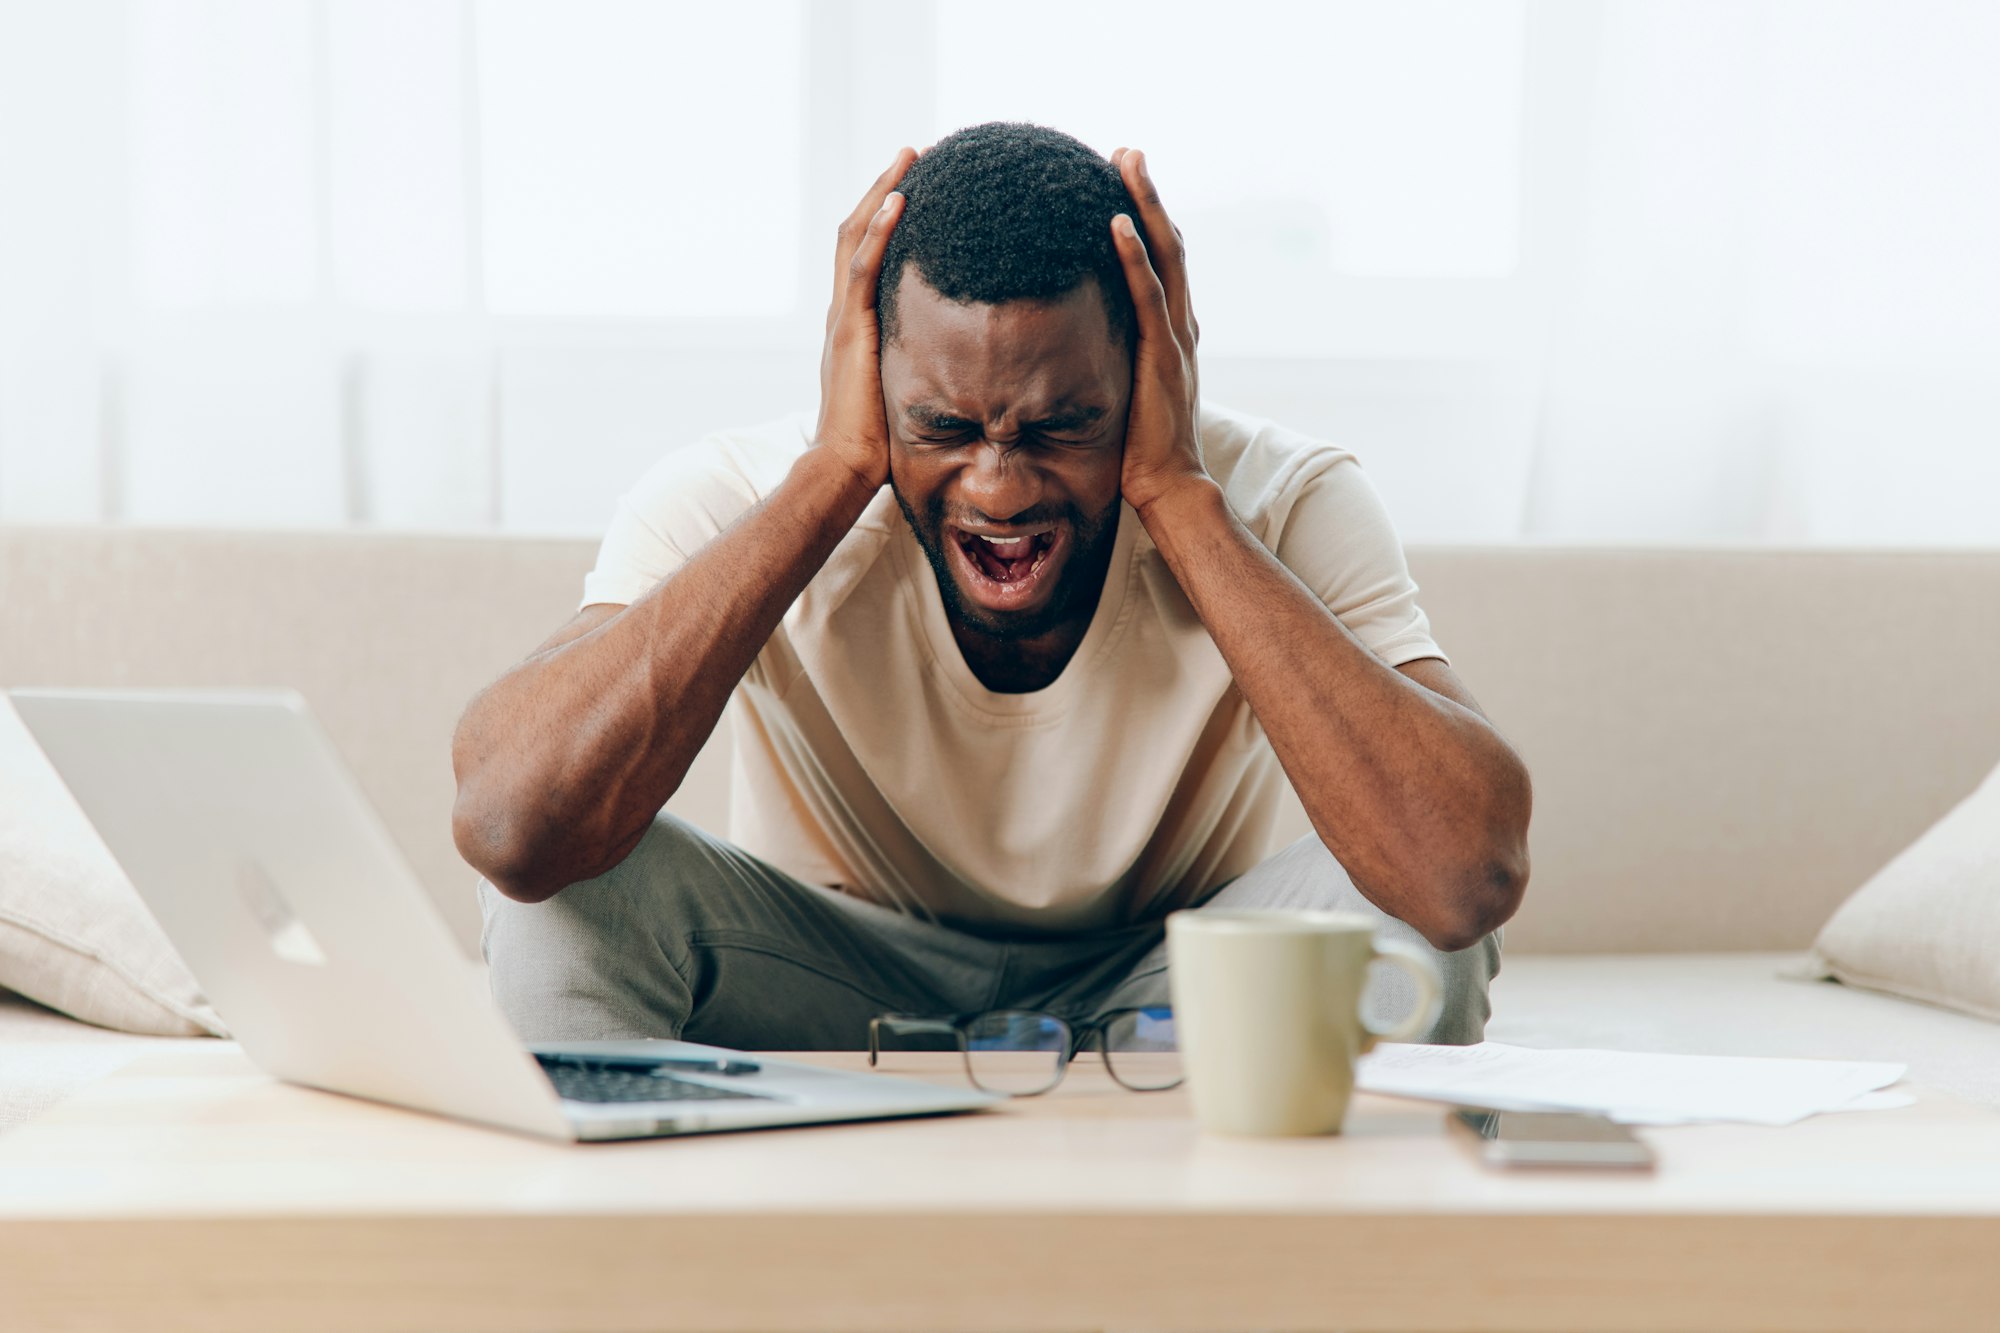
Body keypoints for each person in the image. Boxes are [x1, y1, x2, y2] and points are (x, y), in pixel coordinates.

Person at [452, 123, 1531, 1051]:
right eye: (943, 426)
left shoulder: (1281, 498)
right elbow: (514, 825)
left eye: (1063, 424)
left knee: (1401, 922)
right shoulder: (736, 493)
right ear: (865, 372)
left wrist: (1177, 492)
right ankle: (623, 1289)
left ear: (1153, 372)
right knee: (561, 903)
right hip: (839, 985)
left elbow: (1460, 878)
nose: (1000, 486)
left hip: (1176, 986)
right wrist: (831, 478)